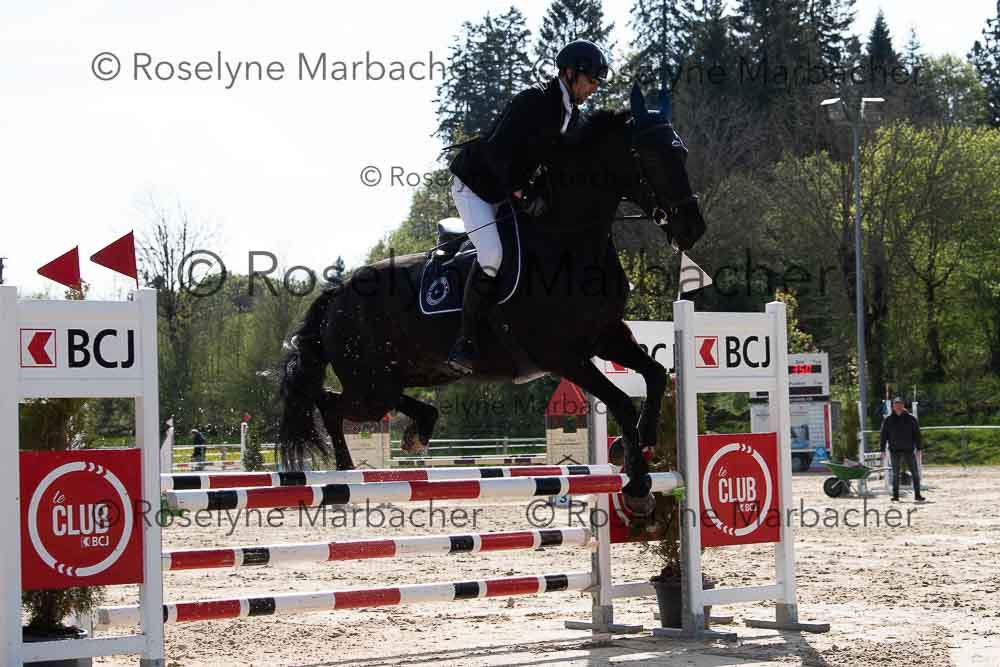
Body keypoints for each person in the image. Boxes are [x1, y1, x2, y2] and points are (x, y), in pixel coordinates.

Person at [445, 39, 609, 374]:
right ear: (569, 73)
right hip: (477, 187)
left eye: (597, 83)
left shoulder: (573, 117)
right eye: (591, 80)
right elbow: (497, 152)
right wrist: (521, 192)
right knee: (493, 254)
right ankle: (465, 340)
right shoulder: (533, 101)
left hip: (507, 192)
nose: (594, 88)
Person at [879, 397, 925, 502]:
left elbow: (917, 434)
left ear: (903, 406)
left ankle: (917, 495)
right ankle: (895, 496)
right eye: (896, 405)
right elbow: (883, 435)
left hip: (909, 449)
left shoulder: (911, 418)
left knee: (915, 473)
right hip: (894, 450)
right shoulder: (888, 420)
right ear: (893, 407)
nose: (898, 407)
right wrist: (882, 450)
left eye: (900, 404)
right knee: (895, 474)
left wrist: (919, 449)